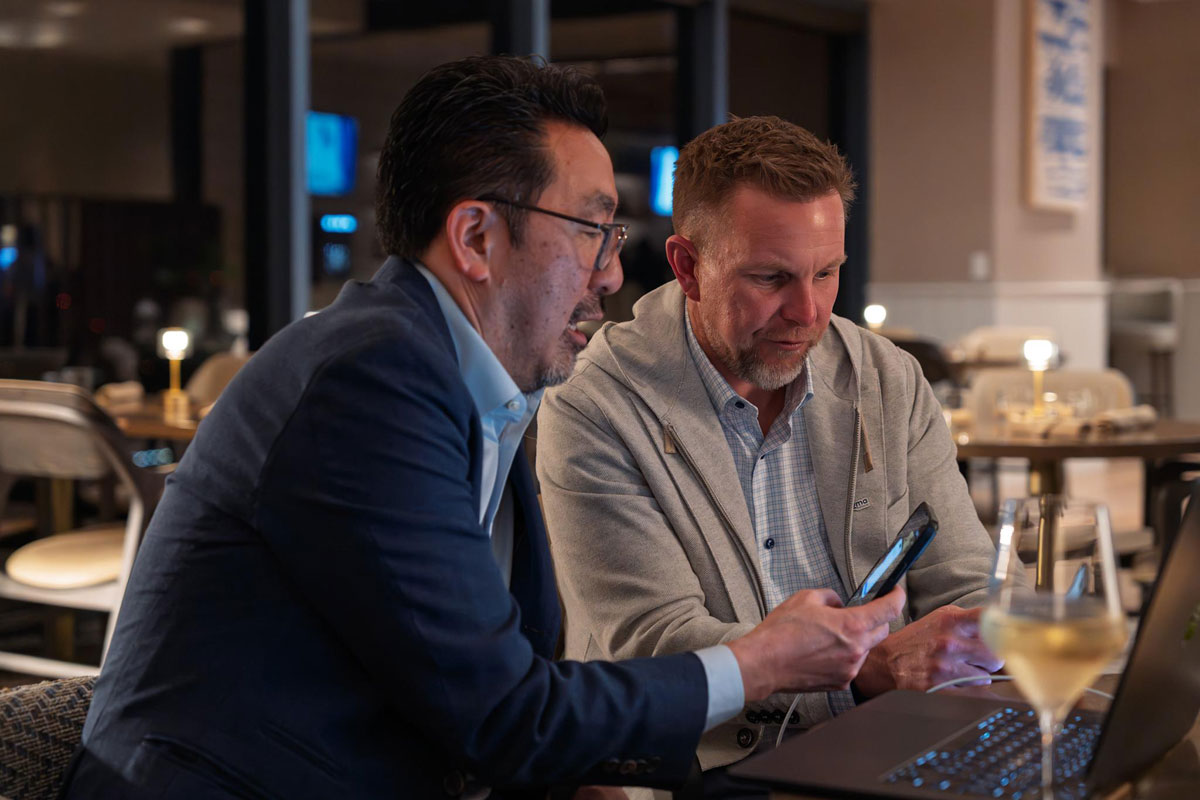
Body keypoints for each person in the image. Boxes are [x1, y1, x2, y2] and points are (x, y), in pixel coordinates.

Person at [63, 60, 905, 799]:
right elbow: (506, 716)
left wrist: (574, 775)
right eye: (592, 232)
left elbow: (475, 686)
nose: (613, 274)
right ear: (476, 238)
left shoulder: (475, 388)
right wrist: (762, 661)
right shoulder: (368, 382)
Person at [536, 116, 1003, 790]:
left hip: (887, 739)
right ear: (687, 267)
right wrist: (862, 672)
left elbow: (965, 578)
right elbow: (653, 645)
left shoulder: (885, 378)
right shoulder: (596, 403)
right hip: (699, 765)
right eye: (771, 277)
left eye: (827, 273)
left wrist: (994, 634)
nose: (808, 312)